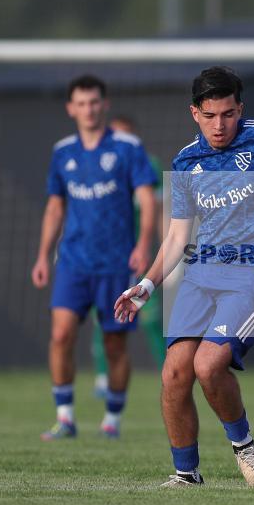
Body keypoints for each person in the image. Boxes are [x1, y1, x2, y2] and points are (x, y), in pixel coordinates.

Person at [115, 66, 254, 487]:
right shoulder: (187, 162)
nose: (220, 124)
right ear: (194, 113)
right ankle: (186, 474)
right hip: (202, 273)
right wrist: (147, 285)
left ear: (240, 109)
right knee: (175, 372)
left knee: (208, 364)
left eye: (228, 114)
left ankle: (243, 445)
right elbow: (178, 234)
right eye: (210, 115)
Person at [32, 75, 158, 440]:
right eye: (81, 103)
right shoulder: (63, 153)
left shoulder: (128, 148)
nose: (88, 109)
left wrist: (143, 243)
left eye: (94, 102)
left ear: (105, 104)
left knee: (114, 344)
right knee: (61, 335)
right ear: (71, 108)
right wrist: (42, 256)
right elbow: (55, 208)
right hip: (73, 262)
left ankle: (113, 419)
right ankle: (65, 417)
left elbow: (147, 200)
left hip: (117, 264)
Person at [91, 115, 166, 399]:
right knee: (104, 315)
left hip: (141, 255)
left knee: (152, 317)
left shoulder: (150, 166)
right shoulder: (96, 167)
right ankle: (103, 377)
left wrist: (170, 253)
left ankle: (168, 375)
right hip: (107, 256)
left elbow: (159, 211)